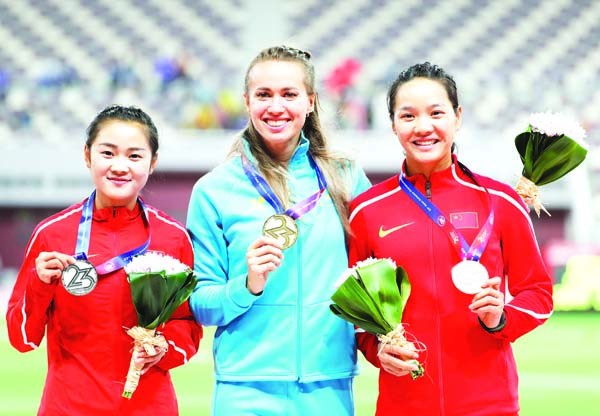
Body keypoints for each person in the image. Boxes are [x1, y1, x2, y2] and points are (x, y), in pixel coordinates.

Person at [348, 62, 554, 415]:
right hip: (402, 405)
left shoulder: (500, 201)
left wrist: (501, 318)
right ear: (393, 123)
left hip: (490, 405)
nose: (423, 127)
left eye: (436, 113)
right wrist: (376, 348)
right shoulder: (367, 210)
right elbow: (357, 312)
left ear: (457, 117)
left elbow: (538, 293)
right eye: (408, 116)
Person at [186, 45, 370, 415]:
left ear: (311, 101)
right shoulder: (214, 190)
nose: (276, 106)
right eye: (264, 94)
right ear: (247, 101)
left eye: (289, 94)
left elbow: (374, 274)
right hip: (245, 390)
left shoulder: (347, 178)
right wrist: (247, 284)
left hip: (328, 385)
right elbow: (200, 304)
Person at [5, 105, 202, 415]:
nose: (120, 166)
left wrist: (163, 348)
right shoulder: (52, 235)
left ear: (153, 163)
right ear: (87, 156)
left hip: (149, 408)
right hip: (67, 408)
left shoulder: (173, 238)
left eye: (134, 156)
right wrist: (38, 284)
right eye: (108, 153)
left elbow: (187, 328)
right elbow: (22, 339)